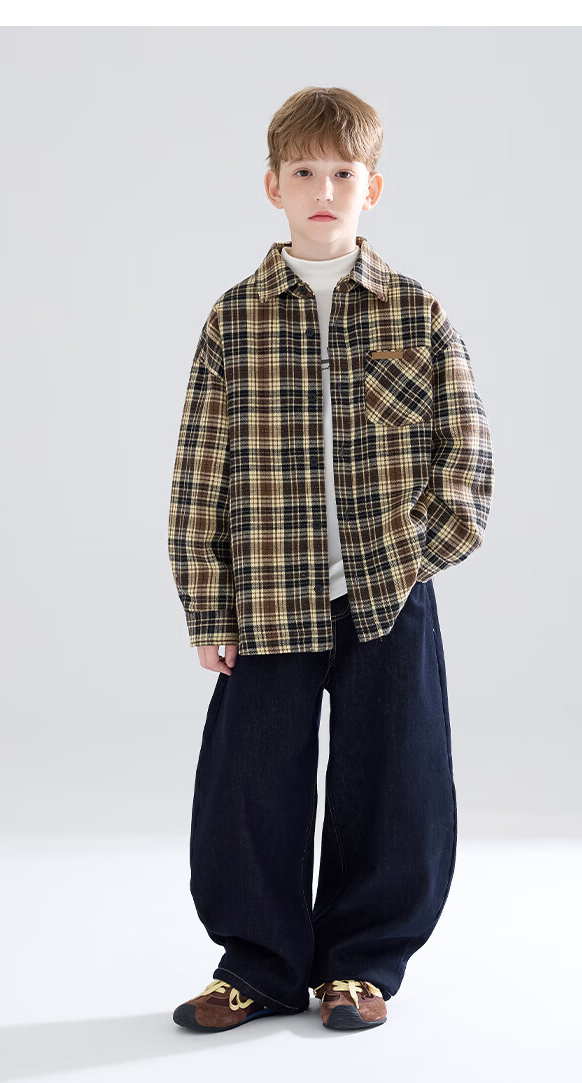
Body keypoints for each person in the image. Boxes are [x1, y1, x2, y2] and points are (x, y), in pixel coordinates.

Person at [168, 86, 494, 1033]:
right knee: (249, 782)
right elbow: (200, 471)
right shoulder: (235, 318)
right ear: (273, 185)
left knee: (394, 779)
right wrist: (208, 605)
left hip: (388, 593)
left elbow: (467, 459)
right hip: (268, 594)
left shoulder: (416, 311)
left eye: (342, 173)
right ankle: (256, 965)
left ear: (371, 187)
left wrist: (409, 558)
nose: (324, 189)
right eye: (304, 171)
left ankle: (360, 965)